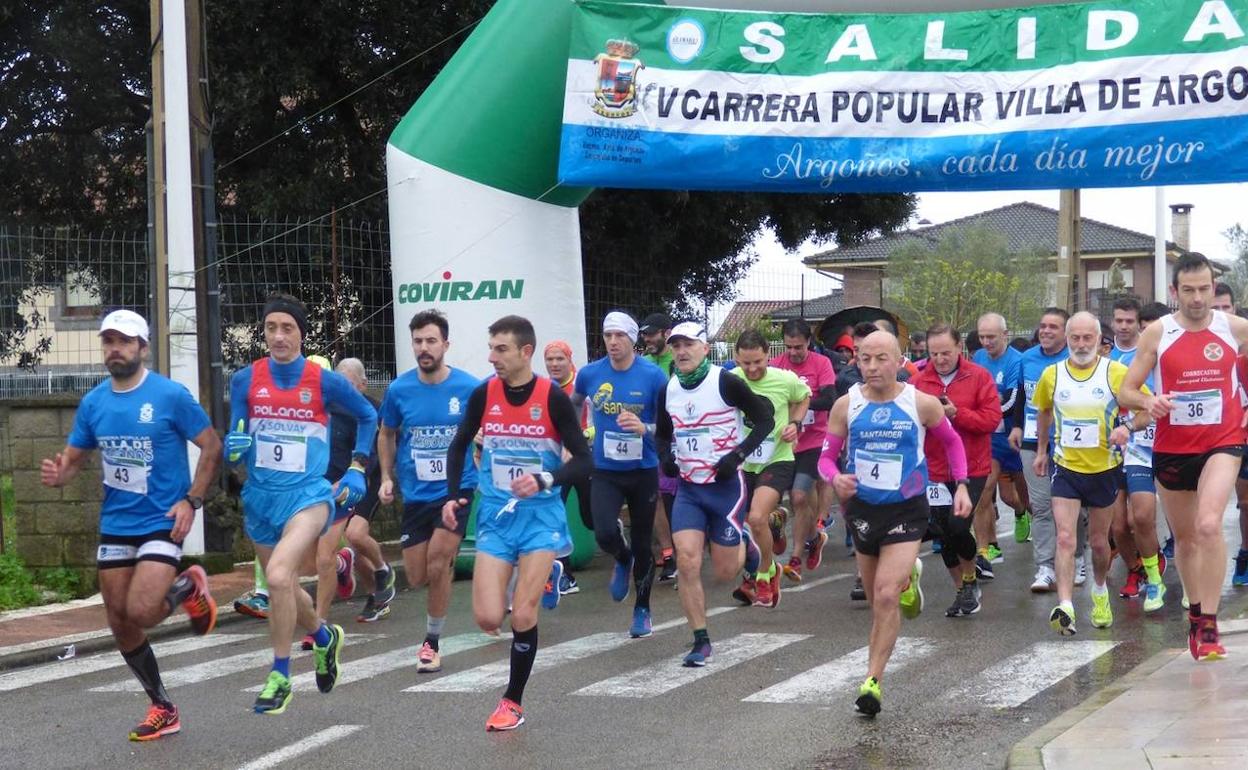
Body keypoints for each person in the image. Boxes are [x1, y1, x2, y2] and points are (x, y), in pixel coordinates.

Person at [40, 310, 221, 741]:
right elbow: (76, 457)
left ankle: (186, 588)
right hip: (117, 522)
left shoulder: (169, 396)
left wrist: (192, 500)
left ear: (143, 348)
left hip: (161, 520)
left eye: (124, 341)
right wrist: (61, 473)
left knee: (142, 610)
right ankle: (163, 705)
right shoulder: (94, 403)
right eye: (108, 341)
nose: (115, 349)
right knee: (120, 620)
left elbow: (211, 445)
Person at [224, 293, 378, 714]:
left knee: (276, 577)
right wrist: (232, 449)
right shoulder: (244, 380)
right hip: (260, 497)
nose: (278, 336)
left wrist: (358, 467)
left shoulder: (323, 381)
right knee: (287, 586)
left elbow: (367, 415)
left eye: (287, 328)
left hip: (310, 495)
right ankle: (325, 638)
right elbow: (235, 437)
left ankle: (279, 675)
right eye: (271, 327)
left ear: (302, 335)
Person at [440, 315, 592, 731]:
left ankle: (512, 702)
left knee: (523, 615)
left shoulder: (553, 398)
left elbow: (584, 460)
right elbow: (458, 446)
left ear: (525, 352)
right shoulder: (483, 394)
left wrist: (546, 478)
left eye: (501, 349)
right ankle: (545, 574)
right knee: (488, 619)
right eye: (491, 348)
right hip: (496, 516)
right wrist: (455, 494)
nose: (493, 357)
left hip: (541, 517)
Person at [818, 330, 972, 716]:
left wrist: (962, 486)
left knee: (887, 595)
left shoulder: (920, 403)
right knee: (877, 601)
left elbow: (952, 443)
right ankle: (910, 579)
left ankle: (873, 680)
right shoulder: (845, 405)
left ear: (899, 360)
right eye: (864, 359)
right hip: (863, 510)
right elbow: (826, 457)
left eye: (880, 358)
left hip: (907, 508)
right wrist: (835, 478)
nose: (871, 367)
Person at [1120, 255, 1248, 661]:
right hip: (1174, 446)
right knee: (1187, 539)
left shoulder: (1234, 328)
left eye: (1204, 289)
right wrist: (1149, 400)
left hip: (1223, 441)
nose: (1197, 298)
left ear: (1215, 288)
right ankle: (1195, 614)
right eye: (1188, 290)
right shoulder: (1159, 332)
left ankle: (1209, 623)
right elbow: (1126, 391)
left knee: (1210, 525)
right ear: (1174, 292)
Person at [654, 322, 774, 667]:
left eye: (688, 344)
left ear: (705, 348)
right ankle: (700, 640)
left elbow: (765, 419)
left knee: (724, 571)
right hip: (690, 490)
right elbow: (663, 436)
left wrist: (737, 456)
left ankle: (748, 547)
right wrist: (666, 459)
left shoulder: (725, 381)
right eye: (675, 345)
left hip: (725, 488)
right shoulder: (669, 389)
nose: (681, 351)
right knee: (688, 561)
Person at [1032, 312, 1152, 635]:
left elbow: (1147, 409)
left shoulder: (1116, 373)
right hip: (1066, 468)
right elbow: (1043, 411)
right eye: (1075, 338)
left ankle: (1099, 589)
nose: (1081, 344)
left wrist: (1126, 427)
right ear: (1067, 340)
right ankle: (1066, 605)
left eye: (1088, 338)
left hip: (1105, 469)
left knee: (1099, 543)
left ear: (1100, 340)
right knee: (1066, 537)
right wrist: (1042, 451)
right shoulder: (1052, 375)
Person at [377, 309, 481, 674]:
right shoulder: (399, 389)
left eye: (431, 341)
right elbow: (387, 433)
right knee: (418, 575)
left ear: (446, 345)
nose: (424, 347)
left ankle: (431, 642)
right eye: (418, 341)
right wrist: (386, 477)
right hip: (416, 494)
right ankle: (442, 575)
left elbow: (490, 426)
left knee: (439, 559)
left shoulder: (469, 388)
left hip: (457, 488)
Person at [571, 312, 670, 636]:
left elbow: (669, 427)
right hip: (605, 469)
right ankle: (621, 557)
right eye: (608, 336)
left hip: (643, 471)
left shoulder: (654, 377)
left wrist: (645, 427)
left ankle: (642, 608)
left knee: (644, 544)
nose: (613, 342)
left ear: (632, 340)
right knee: (601, 532)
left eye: (620, 336)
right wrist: (571, 440)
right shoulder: (589, 374)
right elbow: (571, 406)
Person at [914, 324, 1000, 617]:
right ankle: (962, 590)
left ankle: (971, 577)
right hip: (935, 469)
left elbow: (991, 420)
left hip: (972, 467)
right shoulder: (919, 381)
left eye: (946, 353)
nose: (940, 359)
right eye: (934, 353)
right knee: (942, 532)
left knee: (958, 526)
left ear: (959, 347)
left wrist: (956, 414)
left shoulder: (978, 376)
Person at [731, 329, 810, 608]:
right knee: (744, 522)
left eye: (758, 362)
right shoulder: (730, 380)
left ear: (768, 356)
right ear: (736, 359)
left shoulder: (784, 379)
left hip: (777, 457)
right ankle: (775, 522)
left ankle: (766, 571)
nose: (752, 369)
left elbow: (804, 397)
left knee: (755, 517)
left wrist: (796, 423)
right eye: (746, 363)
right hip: (743, 461)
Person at [1106, 298, 1166, 607]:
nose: (1140, 333)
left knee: (1150, 517)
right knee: (1121, 524)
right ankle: (1139, 570)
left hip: (1167, 444)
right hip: (1131, 445)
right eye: (1140, 328)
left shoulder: (1171, 358)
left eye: (1144, 327)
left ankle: (1164, 573)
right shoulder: (1118, 361)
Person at [1009, 308, 1074, 593]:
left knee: (1073, 508)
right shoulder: (1027, 358)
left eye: (1053, 327)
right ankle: (1045, 567)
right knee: (1042, 506)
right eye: (1043, 326)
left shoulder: (1074, 358)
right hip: (1032, 441)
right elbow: (1023, 395)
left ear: (1065, 333)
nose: (1046, 331)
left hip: (1070, 442)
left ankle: (1078, 558)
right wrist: (1016, 426)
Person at [769, 319, 838, 585]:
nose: (794, 352)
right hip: (785, 442)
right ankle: (814, 538)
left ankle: (795, 558)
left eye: (798, 347)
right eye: (789, 347)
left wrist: (802, 404)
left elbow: (830, 399)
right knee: (781, 500)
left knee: (798, 496)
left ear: (809, 342)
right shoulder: (775, 366)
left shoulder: (821, 364)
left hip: (813, 442)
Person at [334, 359, 394, 623]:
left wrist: (382, 480)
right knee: (351, 549)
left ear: (362, 384)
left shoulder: (372, 411)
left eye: (348, 384)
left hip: (365, 480)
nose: (343, 390)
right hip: (333, 484)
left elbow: (372, 453)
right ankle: (375, 597)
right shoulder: (328, 408)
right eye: (339, 383)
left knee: (355, 535)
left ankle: (383, 569)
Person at [972, 313, 1032, 561]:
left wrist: (985, 406)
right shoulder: (977, 358)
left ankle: (1024, 514)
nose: (986, 342)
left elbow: (1010, 402)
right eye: (982, 337)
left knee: (1021, 498)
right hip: (990, 438)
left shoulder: (1017, 362)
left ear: (1005, 335)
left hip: (1016, 436)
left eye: (991, 337)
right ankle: (987, 549)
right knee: (984, 492)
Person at [544, 339, 593, 595]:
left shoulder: (583, 386)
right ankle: (564, 574)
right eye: (550, 359)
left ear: (570, 360)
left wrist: (582, 438)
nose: (554, 364)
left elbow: (598, 422)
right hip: (558, 464)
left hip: (585, 459)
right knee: (555, 513)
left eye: (559, 359)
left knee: (591, 518)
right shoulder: (544, 389)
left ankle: (611, 531)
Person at [640, 312, 679, 582]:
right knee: (655, 499)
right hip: (647, 439)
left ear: (667, 333)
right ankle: (669, 555)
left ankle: (685, 551)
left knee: (672, 499)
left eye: (652, 334)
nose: (647, 339)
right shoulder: (642, 362)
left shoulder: (677, 361)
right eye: (644, 334)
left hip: (677, 439)